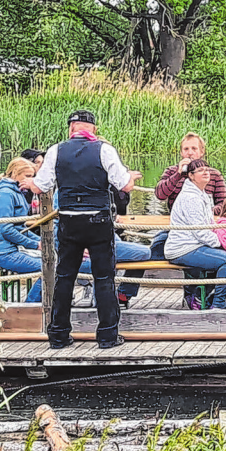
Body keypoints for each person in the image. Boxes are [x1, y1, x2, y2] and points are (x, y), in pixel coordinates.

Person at [32, 110, 141, 349]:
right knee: (104, 278)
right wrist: (131, 177)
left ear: (71, 129)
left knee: (65, 277)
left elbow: (40, 187)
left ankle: (58, 335)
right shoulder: (104, 149)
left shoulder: (55, 150)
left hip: (69, 220)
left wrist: (26, 182)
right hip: (98, 221)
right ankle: (107, 336)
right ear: (92, 128)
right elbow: (124, 185)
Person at [163, 160, 226, 311]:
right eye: (200, 170)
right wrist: (225, 242)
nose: (206, 172)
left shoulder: (203, 195)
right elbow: (200, 231)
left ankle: (204, 299)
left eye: (207, 169)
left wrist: (225, 240)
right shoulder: (191, 198)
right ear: (191, 176)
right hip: (183, 248)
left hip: (194, 245)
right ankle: (217, 305)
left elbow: (208, 226)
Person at [0, 158, 54, 303]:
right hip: (5, 252)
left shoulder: (17, 192)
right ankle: (30, 306)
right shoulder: (5, 194)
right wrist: (35, 245)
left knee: (54, 263)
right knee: (50, 269)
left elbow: (21, 228)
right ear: (15, 174)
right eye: (27, 176)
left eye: (33, 177)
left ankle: (44, 304)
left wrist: (43, 241)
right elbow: (6, 229)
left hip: (16, 249)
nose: (31, 180)